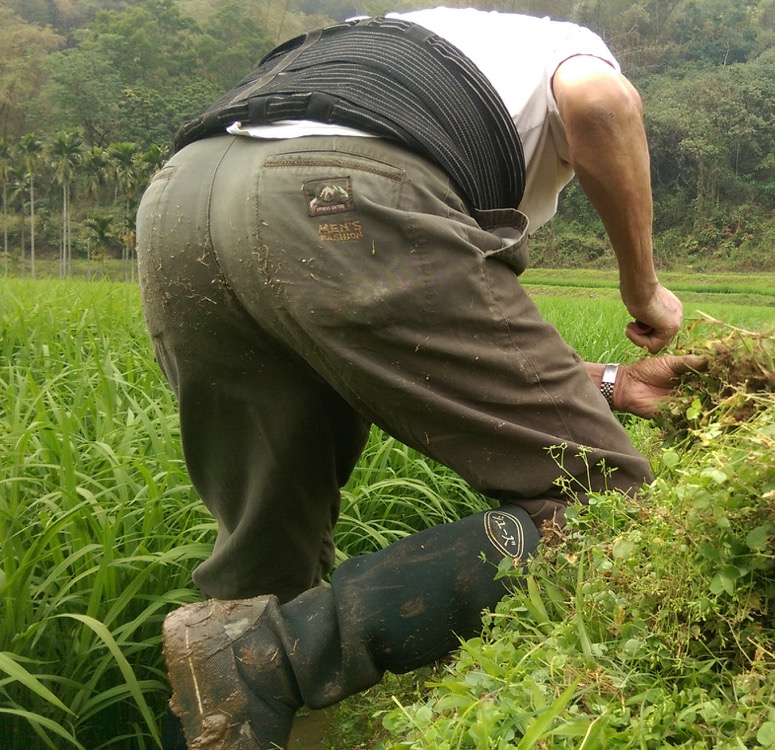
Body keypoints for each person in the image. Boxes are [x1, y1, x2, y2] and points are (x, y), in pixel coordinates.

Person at [136, 8, 701, 749]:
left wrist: (609, 383)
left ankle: (248, 682)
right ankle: (268, 661)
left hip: (180, 198)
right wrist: (643, 290)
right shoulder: (568, 49)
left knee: (264, 571)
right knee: (604, 506)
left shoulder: (377, 39)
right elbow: (604, 104)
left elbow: (389, 341)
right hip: (335, 193)